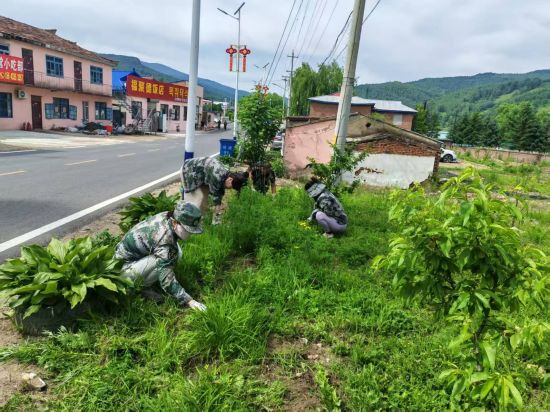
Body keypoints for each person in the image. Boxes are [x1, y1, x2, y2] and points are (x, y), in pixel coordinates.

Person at [115, 201, 206, 311]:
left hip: (132, 260)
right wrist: (190, 301)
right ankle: (139, 287)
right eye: (186, 229)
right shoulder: (164, 239)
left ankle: (144, 283)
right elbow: (166, 279)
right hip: (122, 272)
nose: (190, 233)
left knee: (176, 253)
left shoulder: (168, 216)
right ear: (174, 222)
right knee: (167, 257)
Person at [180, 155, 249, 220]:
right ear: (230, 179)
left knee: (204, 200)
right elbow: (216, 195)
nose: (229, 189)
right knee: (196, 201)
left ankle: (201, 220)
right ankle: (185, 220)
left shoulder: (226, 174)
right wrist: (217, 213)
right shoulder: (218, 176)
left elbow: (219, 189)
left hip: (201, 175)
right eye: (231, 187)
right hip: (188, 171)